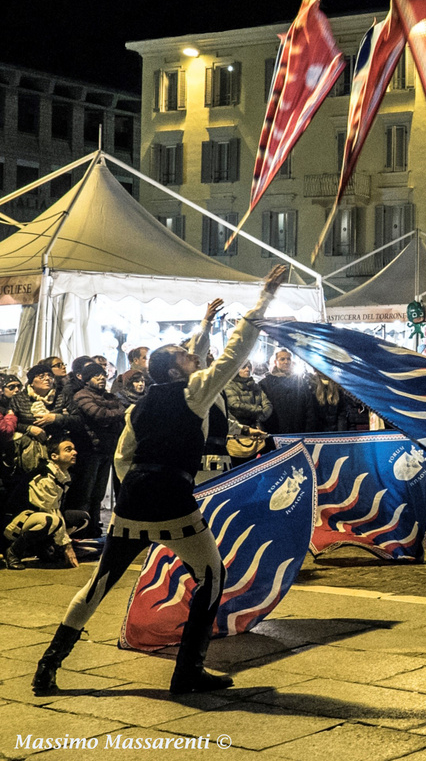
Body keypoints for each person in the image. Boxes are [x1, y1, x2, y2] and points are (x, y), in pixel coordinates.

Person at [32, 265, 288, 697]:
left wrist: (205, 326)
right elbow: (233, 352)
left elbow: (123, 457)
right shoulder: (194, 391)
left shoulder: (143, 401)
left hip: (133, 502)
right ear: (177, 371)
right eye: (189, 357)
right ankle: (188, 670)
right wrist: (264, 297)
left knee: (97, 587)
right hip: (172, 502)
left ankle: (47, 667)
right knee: (211, 577)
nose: (196, 357)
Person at [3, 436, 81, 570]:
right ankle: (13, 552)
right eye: (68, 450)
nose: (74, 452)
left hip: (34, 517)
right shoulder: (44, 476)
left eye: (74, 449)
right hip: (15, 522)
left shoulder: (62, 474)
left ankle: (43, 549)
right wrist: (66, 546)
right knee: (51, 521)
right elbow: (50, 511)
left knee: (81, 518)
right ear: (54, 456)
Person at [70, 362, 126, 527]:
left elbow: (116, 415)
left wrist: (113, 415)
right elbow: (100, 415)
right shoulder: (82, 395)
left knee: (99, 492)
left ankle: (95, 525)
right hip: (90, 449)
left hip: (107, 449)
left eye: (103, 374)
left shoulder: (109, 396)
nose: (101, 378)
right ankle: (83, 527)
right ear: (87, 379)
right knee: (86, 492)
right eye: (96, 375)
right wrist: (115, 414)